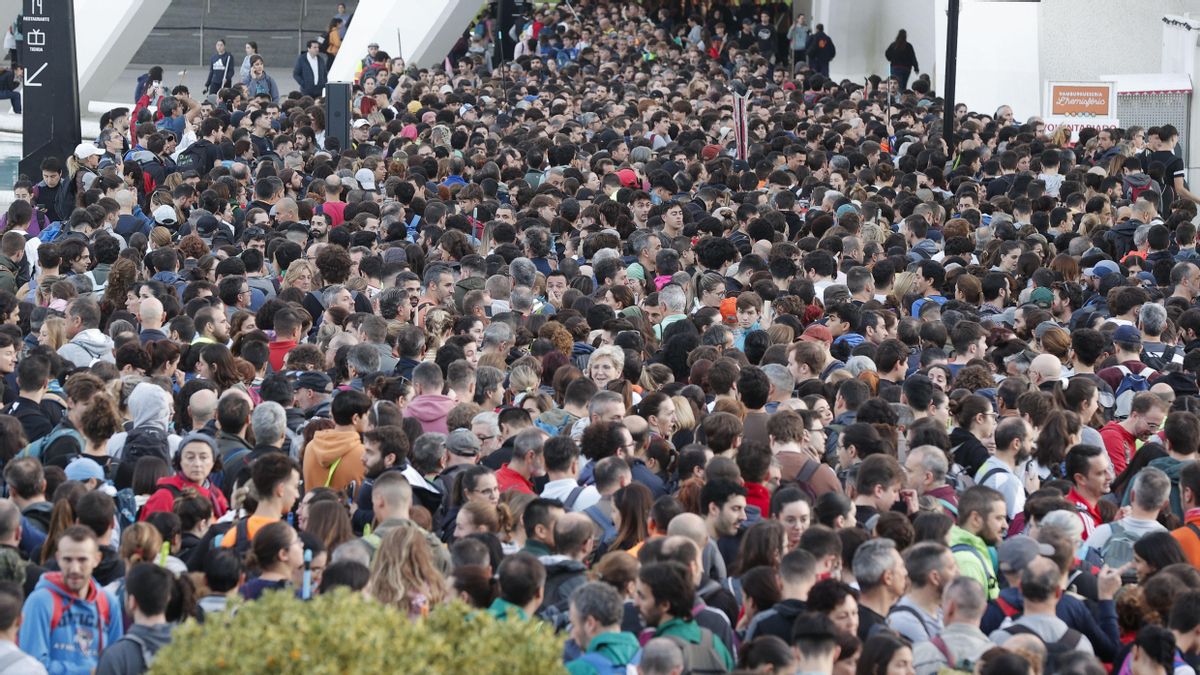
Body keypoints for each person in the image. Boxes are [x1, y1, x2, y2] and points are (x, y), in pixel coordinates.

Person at [19, 526, 123, 672]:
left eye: (82, 560)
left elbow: (115, 664)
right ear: (58, 558)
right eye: (67, 560)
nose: (74, 568)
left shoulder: (109, 603)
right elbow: (31, 666)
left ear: (97, 559)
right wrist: (86, 671)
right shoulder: (40, 602)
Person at [565, 582, 641, 675]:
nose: (572, 635)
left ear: (590, 623)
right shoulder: (649, 659)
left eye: (573, 624)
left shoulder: (577, 670)